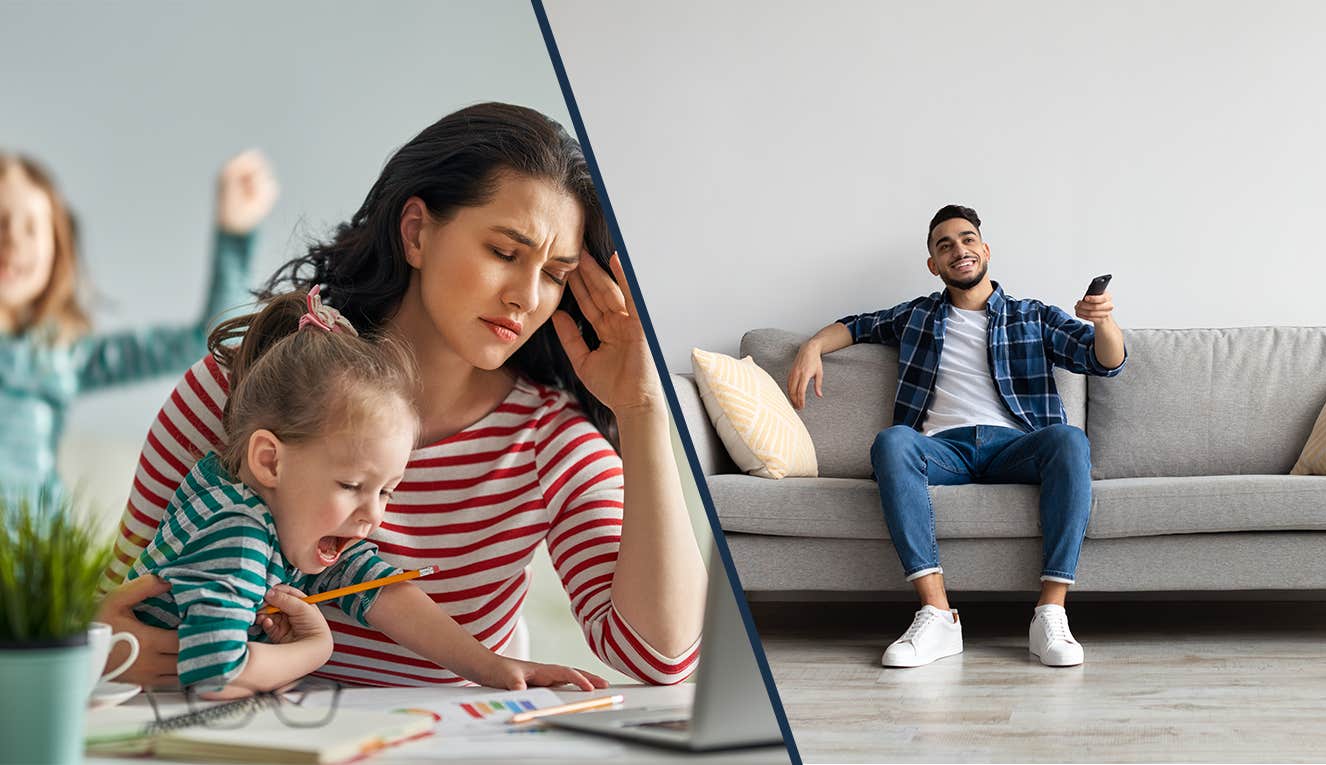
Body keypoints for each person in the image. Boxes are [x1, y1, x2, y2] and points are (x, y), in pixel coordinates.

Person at [97, 102, 707, 688]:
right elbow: (109, 601)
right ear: (416, 233)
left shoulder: (549, 442)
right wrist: (108, 650)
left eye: (554, 274)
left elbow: (660, 658)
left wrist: (642, 410)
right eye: (504, 252)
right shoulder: (247, 385)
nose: (526, 296)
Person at [128, 288, 606, 696]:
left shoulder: (278, 514)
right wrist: (314, 650)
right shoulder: (237, 536)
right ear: (269, 460)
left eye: (387, 492)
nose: (372, 517)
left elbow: (377, 587)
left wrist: (492, 666)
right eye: (352, 486)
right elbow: (215, 673)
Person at [786, 204, 1126, 668]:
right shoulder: (917, 317)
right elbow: (857, 325)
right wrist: (811, 346)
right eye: (944, 245)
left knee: (1069, 440)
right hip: (943, 451)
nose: (958, 250)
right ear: (933, 265)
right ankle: (937, 614)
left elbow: (1105, 362)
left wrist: (1103, 321)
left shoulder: (1032, 316)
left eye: (967, 240)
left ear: (984, 250)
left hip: (1017, 447)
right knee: (893, 441)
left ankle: (1050, 613)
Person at [0, 149, 276, 499]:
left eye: (30, 228)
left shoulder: (61, 354)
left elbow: (207, 341)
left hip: (35, 548)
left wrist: (234, 238)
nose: (12, 241)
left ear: (57, 248)